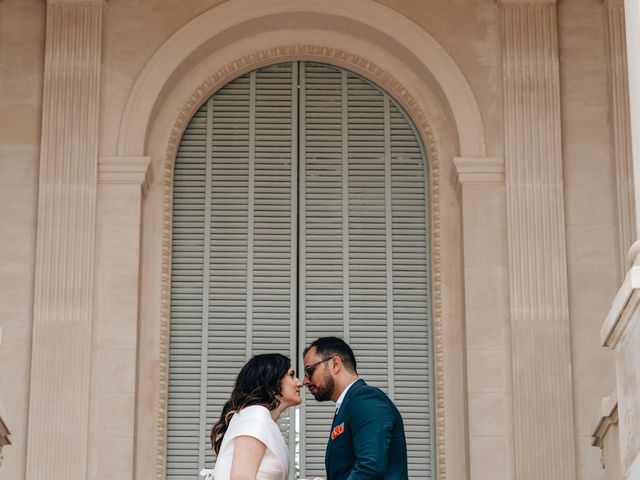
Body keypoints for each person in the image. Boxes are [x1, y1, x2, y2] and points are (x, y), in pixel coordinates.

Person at [303, 337, 409, 480]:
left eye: (309, 371)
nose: (305, 381)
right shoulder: (348, 404)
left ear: (335, 364)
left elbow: (369, 467)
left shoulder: (366, 398)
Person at [210, 353, 302, 480]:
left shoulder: (260, 418)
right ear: (273, 382)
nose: (299, 383)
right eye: (291, 375)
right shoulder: (255, 416)